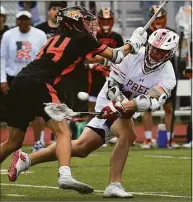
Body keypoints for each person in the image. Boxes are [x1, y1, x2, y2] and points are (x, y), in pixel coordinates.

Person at [7, 28, 179, 198]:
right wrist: (116, 105)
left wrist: (123, 107)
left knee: (82, 148)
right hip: (109, 99)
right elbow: (113, 85)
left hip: (127, 107)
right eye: (153, 48)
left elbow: (150, 99)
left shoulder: (168, 75)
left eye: (161, 52)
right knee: (128, 134)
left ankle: (27, 159)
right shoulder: (134, 55)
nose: (155, 54)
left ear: (170, 54)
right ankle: (114, 184)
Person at [1, 6, 146, 194]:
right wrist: (132, 44)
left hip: (20, 81)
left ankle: (55, 170)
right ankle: (65, 175)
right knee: (63, 132)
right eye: (85, 21)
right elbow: (116, 56)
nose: (89, 25)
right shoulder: (83, 38)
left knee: (12, 142)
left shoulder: (54, 38)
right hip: (40, 83)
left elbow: (86, 59)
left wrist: (114, 56)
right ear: (76, 23)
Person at [0, 10, 47, 151]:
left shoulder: (40, 35)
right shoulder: (8, 35)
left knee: (37, 112)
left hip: (34, 76)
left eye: (26, 19)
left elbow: (45, 58)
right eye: (20, 19)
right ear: (16, 20)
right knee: (15, 113)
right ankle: (13, 144)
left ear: (30, 20)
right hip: (14, 77)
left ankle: (38, 143)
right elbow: (2, 58)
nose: (23, 22)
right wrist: (2, 79)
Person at [141, 5, 180, 149]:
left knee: (169, 108)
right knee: (146, 106)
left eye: (161, 17)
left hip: (166, 75)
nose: (158, 20)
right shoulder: (145, 34)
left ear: (166, 18)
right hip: (149, 75)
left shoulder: (173, 33)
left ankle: (171, 139)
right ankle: (148, 139)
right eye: (155, 17)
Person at [88, 8, 124, 145]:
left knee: (114, 106)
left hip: (112, 76)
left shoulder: (117, 38)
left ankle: (112, 133)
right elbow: (87, 57)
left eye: (108, 20)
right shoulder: (92, 36)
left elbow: (122, 58)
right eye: (103, 20)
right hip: (95, 77)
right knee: (93, 106)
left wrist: (111, 69)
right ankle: (92, 134)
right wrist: (96, 65)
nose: (106, 23)